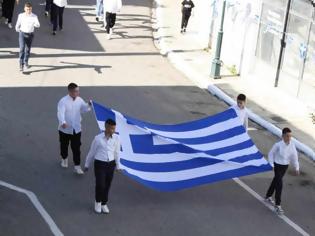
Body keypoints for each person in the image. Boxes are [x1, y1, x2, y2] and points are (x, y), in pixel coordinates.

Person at [84, 119, 121, 214]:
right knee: (100, 184)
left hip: (111, 164)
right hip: (100, 163)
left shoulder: (116, 138)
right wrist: (87, 164)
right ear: (106, 127)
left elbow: (117, 152)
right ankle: (98, 202)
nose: (113, 130)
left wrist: (118, 165)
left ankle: (104, 203)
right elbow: (92, 152)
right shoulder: (98, 138)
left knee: (107, 185)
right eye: (111, 128)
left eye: (114, 128)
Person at [57, 83, 91, 175]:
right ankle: (64, 158)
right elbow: (60, 113)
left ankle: (77, 166)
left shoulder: (79, 100)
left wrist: (88, 104)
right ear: (70, 91)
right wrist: (63, 122)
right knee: (64, 145)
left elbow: (84, 109)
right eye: (76, 91)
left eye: (78, 91)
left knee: (76, 148)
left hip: (76, 129)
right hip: (65, 129)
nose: (78, 92)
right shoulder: (63, 101)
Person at [265, 127, 300, 214]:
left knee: (276, 181)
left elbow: (294, 156)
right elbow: (271, 154)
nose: (289, 138)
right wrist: (271, 164)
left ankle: (268, 196)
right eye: (287, 136)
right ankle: (278, 205)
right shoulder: (278, 145)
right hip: (277, 165)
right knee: (279, 184)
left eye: (290, 136)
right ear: (283, 136)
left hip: (285, 166)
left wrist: (296, 168)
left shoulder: (292, 145)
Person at [15, 2, 40, 72]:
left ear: (31, 9)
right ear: (24, 9)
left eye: (30, 9)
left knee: (27, 50)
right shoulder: (21, 15)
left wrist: (35, 24)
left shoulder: (34, 16)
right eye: (27, 9)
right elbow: (17, 24)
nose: (29, 11)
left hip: (30, 34)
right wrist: (17, 29)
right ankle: (21, 65)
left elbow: (38, 24)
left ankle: (26, 62)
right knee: (22, 49)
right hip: (22, 34)